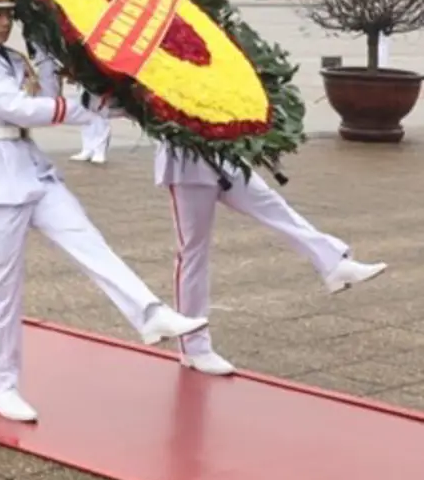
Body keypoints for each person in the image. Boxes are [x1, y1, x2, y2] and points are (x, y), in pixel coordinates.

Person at [0, 0, 205, 423]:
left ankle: (148, 313)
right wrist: (81, 114)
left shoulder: (13, 58)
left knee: (89, 241)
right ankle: (2, 387)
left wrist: (54, 56)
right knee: (3, 289)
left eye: (9, 14)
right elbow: (21, 109)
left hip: (32, 170)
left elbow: (43, 94)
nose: (5, 22)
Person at [157, 145, 387, 376]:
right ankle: (194, 348)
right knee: (194, 251)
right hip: (186, 166)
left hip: (224, 153)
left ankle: (334, 264)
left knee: (273, 206)